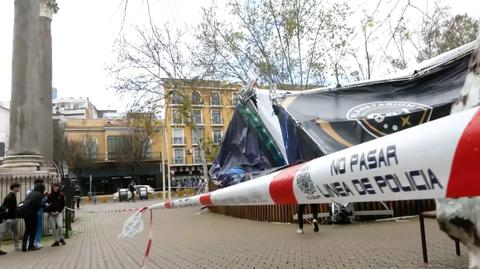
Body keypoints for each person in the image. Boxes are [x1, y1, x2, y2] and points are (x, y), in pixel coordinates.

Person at [17, 182, 45, 251]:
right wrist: (44, 206)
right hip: (32, 214)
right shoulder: (39, 195)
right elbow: (37, 205)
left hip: (25, 213)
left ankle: (24, 246)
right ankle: (30, 246)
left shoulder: (31, 194)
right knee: (33, 230)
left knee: (27, 230)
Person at [0, 183, 21, 255]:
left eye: (19, 187)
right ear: (13, 188)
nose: (19, 189)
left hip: (14, 218)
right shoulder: (9, 197)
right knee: (2, 233)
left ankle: (17, 247)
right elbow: (3, 207)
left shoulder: (14, 196)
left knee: (15, 233)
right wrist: (5, 210)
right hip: (9, 219)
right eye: (17, 187)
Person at [45, 183, 66, 247]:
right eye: (54, 186)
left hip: (58, 213)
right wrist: (50, 212)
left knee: (59, 225)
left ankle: (61, 238)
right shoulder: (49, 195)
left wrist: (58, 211)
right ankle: (56, 241)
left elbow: (62, 205)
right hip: (51, 214)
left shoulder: (61, 195)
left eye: (57, 187)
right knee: (53, 227)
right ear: (52, 187)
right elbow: (46, 205)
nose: (56, 188)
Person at [26, 179, 45, 248]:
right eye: (42, 184)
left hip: (39, 209)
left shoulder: (37, 191)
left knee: (39, 226)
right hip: (35, 210)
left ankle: (37, 241)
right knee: (34, 227)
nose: (43, 185)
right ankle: (33, 242)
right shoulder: (30, 191)